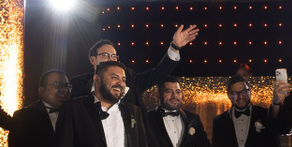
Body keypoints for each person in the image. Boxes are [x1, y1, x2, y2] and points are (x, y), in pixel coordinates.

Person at [68, 27, 199, 103]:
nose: (110, 59)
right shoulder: (77, 85)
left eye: (113, 56)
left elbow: (158, 73)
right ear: (92, 60)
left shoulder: (130, 81)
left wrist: (175, 47)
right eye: (105, 55)